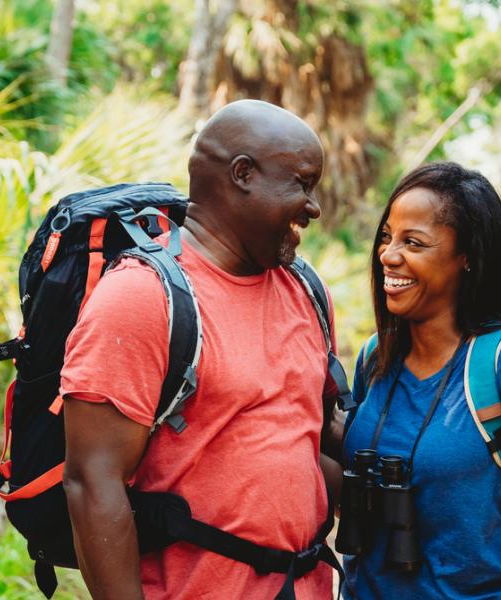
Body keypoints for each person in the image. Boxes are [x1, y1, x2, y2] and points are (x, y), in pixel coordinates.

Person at [59, 99, 338, 599]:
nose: (313, 207)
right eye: (301, 183)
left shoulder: (307, 291)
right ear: (243, 174)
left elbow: (306, 441)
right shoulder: (141, 298)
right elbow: (91, 482)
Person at [339, 162, 501, 599]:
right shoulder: (374, 358)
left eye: (413, 242)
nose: (388, 255)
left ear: (466, 257)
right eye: (386, 237)